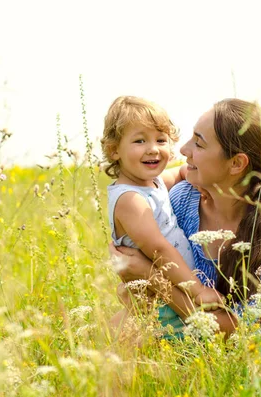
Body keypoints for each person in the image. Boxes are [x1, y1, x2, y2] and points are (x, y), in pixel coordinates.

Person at [110, 98, 261, 337]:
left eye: (198, 143)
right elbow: (143, 195)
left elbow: (242, 332)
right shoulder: (183, 200)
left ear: (236, 163)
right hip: (203, 344)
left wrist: (151, 276)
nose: (184, 150)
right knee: (118, 327)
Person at [101, 96, 224, 337]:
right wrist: (197, 290)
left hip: (173, 286)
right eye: (139, 140)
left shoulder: (152, 183)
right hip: (161, 299)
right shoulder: (130, 199)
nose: (153, 149)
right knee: (180, 346)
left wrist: (199, 181)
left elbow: (181, 172)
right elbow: (158, 248)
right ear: (114, 150)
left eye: (161, 140)